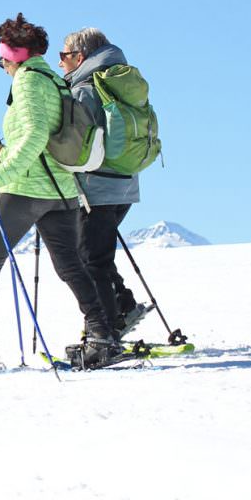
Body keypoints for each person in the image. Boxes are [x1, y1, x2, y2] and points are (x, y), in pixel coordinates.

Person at [0, 14, 121, 368]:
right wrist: (8, 152)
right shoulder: (54, 79)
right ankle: (102, 336)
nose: (1, 63)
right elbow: (44, 133)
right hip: (60, 189)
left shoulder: (28, 82)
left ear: (16, 55)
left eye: (3, 56)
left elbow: (34, 134)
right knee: (71, 267)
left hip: (25, 189)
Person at [60, 27, 153, 335]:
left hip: (96, 186)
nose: (60, 63)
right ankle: (122, 307)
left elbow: (75, 144)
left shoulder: (86, 89)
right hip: (125, 183)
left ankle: (106, 332)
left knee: (88, 260)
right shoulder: (119, 83)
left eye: (64, 56)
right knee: (96, 254)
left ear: (79, 56)